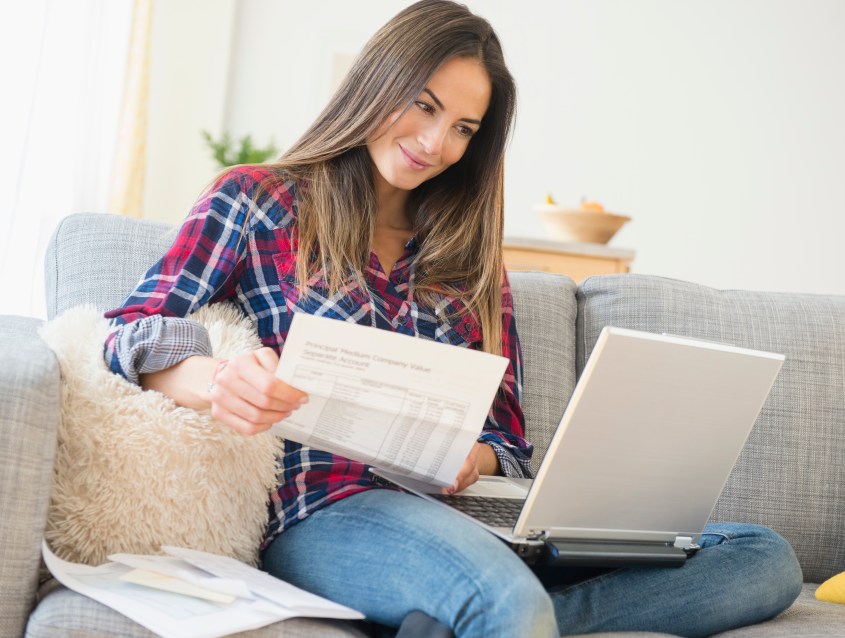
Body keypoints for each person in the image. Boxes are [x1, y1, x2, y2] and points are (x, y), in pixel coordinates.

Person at [103, 1, 803, 636]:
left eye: (463, 128)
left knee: (762, 558)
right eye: (424, 106)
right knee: (509, 606)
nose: (436, 143)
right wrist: (214, 377)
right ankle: (506, 616)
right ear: (376, 82)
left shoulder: (466, 256)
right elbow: (129, 326)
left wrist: (476, 458)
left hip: (460, 513)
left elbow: (507, 435)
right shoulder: (257, 200)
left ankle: (491, 621)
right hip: (328, 512)